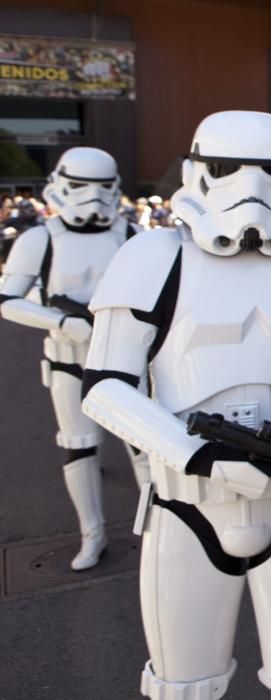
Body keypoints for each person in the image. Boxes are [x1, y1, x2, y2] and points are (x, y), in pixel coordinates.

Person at [80, 111, 271, 699]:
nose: (251, 192)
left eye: (270, 172)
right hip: (186, 502)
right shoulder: (153, 259)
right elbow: (103, 384)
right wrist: (200, 457)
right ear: (198, 173)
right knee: (183, 688)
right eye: (227, 170)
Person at [0, 147, 147, 572]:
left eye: (102, 187)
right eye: (82, 187)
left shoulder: (133, 236)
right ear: (62, 183)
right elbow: (8, 300)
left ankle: (156, 528)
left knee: (143, 444)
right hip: (68, 357)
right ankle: (92, 533)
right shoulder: (40, 239)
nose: (93, 198)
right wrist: (63, 324)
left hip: (128, 358)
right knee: (80, 447)